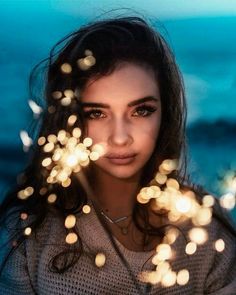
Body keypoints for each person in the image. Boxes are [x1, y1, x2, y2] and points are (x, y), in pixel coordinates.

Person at [0, 16, 235, 295]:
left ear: (166, 114)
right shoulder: (30, 231)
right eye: (97, 113)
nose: (120, 137)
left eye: (141, 110)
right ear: (71, 119)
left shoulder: (206, 227)